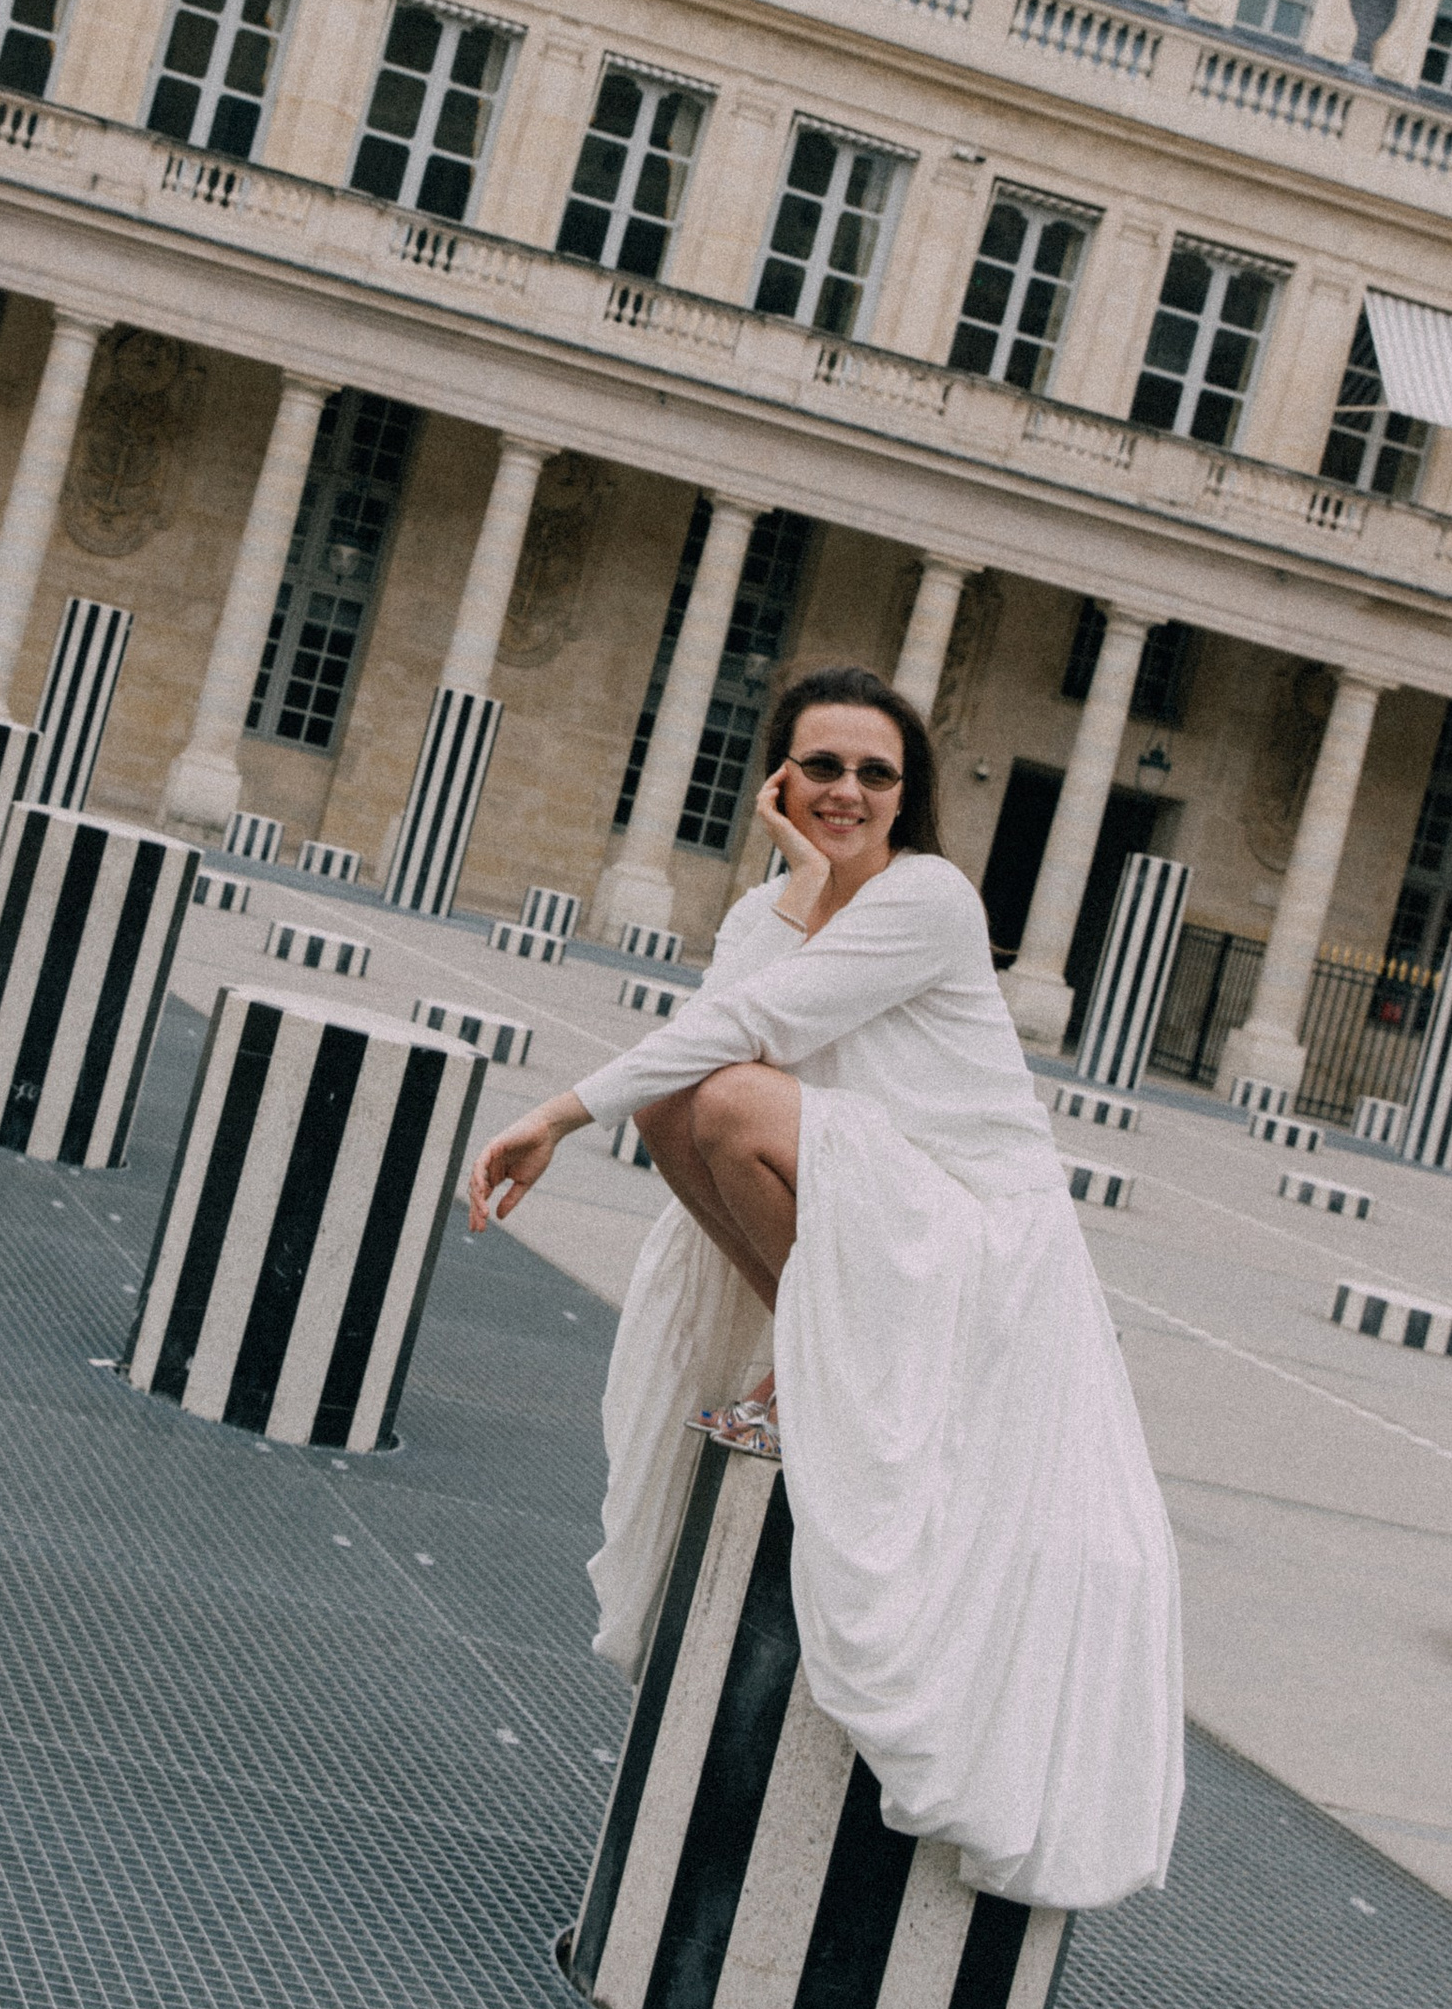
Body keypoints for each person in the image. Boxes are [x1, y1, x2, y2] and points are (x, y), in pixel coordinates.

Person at [465, 663, 1183, 1915]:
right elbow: (718, 1019)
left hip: (972, 1227)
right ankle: (815, 1346)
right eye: (823, 766)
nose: (847, 791)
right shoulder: (781, 899)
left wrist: (557, 1112)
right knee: (684, 1105)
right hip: (877, 1208)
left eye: (875, 772)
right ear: (781, 778)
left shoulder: (929, 898)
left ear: (909, 793)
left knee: (730, 1102)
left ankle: (812, 1359)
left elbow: (749, 1037)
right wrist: (793, 887)